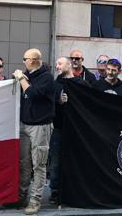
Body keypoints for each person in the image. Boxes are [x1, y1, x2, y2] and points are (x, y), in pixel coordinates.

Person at [12, 48, 55, 215]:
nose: (23, 61)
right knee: (24, 163)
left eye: (25, 58)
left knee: (39, 164)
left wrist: (22, 78)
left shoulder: (46, 77)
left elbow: (32, 93)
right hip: (24, 124)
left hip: (40, 126)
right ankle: (21, 196)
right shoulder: (27, 74)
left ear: (34, 60)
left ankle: (35, 200)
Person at [48, 56, 90, 205]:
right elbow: (49, 105)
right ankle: (55, 191)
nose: (57, 66)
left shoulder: (81, 83)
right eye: (56, 64)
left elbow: (89, 104)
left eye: (60, 63)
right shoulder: (55, 84)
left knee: (77, 160)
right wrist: (58, 101)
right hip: (59, 129)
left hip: (77, 131)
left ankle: (76, 189)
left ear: (68, 64)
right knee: (55, 162)